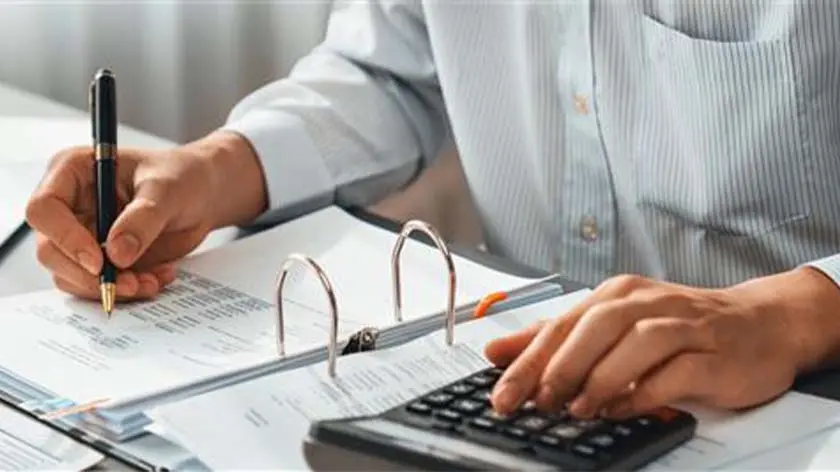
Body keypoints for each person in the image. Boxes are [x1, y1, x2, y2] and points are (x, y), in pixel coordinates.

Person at [25, 2, 840, 421]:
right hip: (524, 386)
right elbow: (391, 70)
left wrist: (796, 313)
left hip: (797, 401)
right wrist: (217, 168)